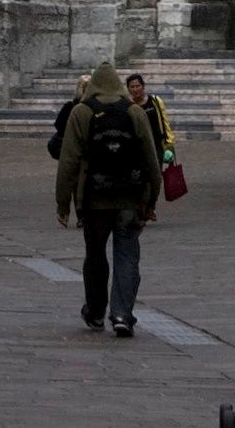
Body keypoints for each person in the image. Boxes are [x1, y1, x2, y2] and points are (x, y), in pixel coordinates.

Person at [54, 60, 159, 335]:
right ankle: (122, 314)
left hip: (94, 198)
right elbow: (151, 159)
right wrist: (151, 200)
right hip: (129, 197)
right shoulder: (135, 111)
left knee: (95, 254)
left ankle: (96, 311)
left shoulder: (81, 112)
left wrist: (63, 203)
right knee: (127, 255)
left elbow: (68, 161)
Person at [126, 69, 176, 194]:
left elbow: (165, 123)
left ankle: (150, 205)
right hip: (137, 148)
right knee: (139, 177)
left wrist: (169, 145)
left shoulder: (155, 101)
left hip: (156, 146)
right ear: (128, 89)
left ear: (143, 86)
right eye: (132, 87)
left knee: (156, 177)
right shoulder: (127, 106)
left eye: (138, 86)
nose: (135, 89)